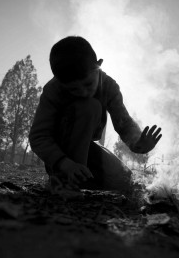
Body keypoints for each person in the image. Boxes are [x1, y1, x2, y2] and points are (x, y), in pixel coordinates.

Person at [29, 36, 162, 194]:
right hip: (61, 157)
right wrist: (64, 164)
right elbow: (39, 136)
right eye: (74, 90)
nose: (84, 92)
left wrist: (138, 143)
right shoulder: (53, 90)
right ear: (60, 82)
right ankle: (64, 182)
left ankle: (79, 179)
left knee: (126, 181)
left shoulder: (109, 86)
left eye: (87, 84)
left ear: (98, 66)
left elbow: (123, 123)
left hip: (86, 150)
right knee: (89, 106)